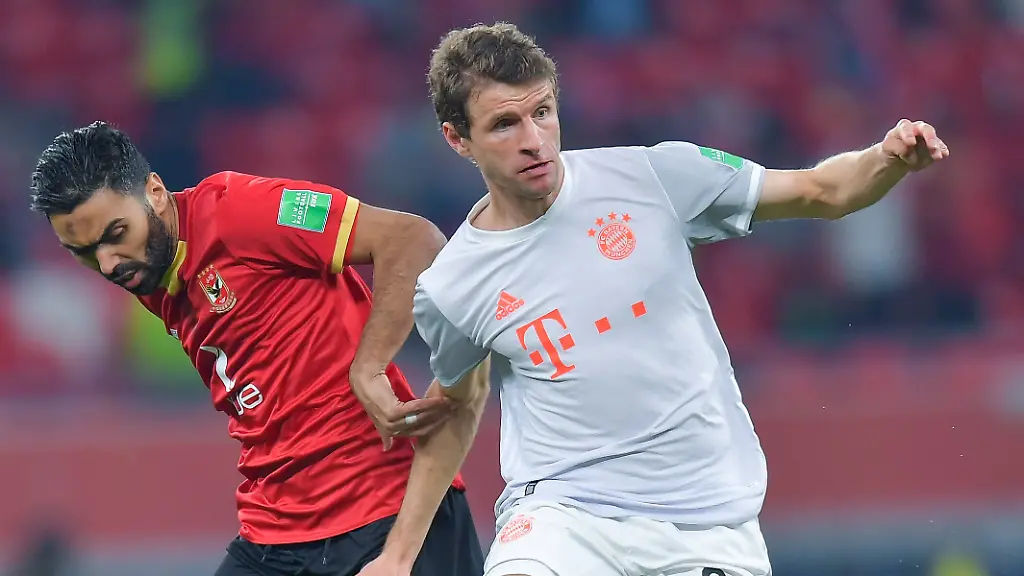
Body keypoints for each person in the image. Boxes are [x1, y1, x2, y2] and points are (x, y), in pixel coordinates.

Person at [353, 22, 951, 576]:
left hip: (708, 523)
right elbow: (458, 406)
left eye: (543, 113)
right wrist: (398, 557)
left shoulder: (655, 177)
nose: (534, 141)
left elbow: (823, 190)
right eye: (505, 125)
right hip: (563, 517)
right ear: (458, 139)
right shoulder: (452, 286)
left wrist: (886, 158)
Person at [28, 121, 486, 576]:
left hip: (383, 506)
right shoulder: (149, 270)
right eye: (82, 251)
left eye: (115, 234)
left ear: (155, 192)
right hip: (278, 527)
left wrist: (369, 366)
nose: (107, 263)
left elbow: (411, 239)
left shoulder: (240, 211)